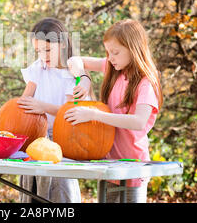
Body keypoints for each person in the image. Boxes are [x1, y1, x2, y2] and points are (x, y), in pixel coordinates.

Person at [65, 19, 163, 203]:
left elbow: (138, 121)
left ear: (133, 49)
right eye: (108, 52)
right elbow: (75, 60)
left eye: (115, 52)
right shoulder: (113, 67)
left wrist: (94, 115)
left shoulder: (145, 82)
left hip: (134, 167)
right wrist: (84, 77)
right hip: (109, 165)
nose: (110, 58)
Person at [17, 17, 88, 203]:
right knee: (31, 194)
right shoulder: (37, 69)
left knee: (59, 193)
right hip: (36, 141)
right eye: (38, 51)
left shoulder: (71, 75)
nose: (43, 55)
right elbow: (25, 101)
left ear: (62, 44)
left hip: (61, 143)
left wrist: (43, 107)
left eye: (47, 50)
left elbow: (69, 112)